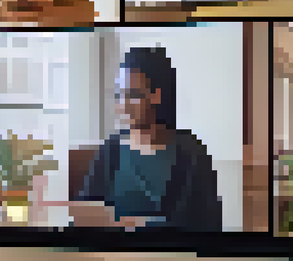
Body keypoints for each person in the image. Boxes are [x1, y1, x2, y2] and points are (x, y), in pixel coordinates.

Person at [73, 46, 222, 231]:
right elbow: (84, 215)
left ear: (156, 95)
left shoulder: (191, 153)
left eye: (132, 95)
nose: (123, 105)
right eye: (119, 95)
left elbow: (208, 224)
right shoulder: (111, 149)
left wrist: (140, 226)